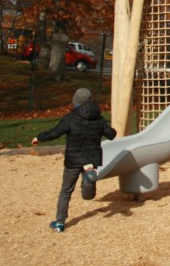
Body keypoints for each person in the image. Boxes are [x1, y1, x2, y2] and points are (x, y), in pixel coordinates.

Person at [32, 88, 117, 233]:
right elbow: (112, 135)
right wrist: (105, 130)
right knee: (88, 191)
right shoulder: (99, 119)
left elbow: (54, 133)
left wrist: (39, 137)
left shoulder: (70, 119)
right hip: (91, 159)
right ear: (91, 102)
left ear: (75, 102)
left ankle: (59, 223)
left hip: (73, 160)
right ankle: (89, 183)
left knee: (66, 191)